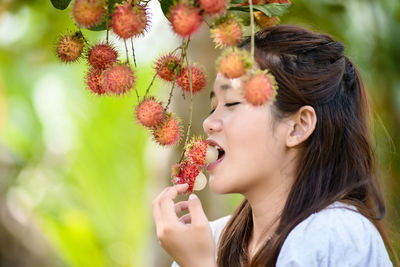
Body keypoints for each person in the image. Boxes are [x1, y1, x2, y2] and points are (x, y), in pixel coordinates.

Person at [151, 24, 399, 267]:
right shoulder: (212, 241)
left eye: (232, 103)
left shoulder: (339, 235)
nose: (208, 123)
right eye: (213, 106)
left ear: (298, 126)